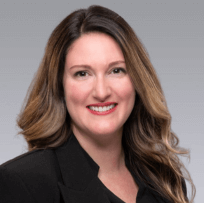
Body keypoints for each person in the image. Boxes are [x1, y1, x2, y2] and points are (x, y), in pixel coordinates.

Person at [0, 5, 195, 203]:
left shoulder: (166, 180)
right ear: (60, 87)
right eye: (82, 74)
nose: (101, 92)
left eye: (116, 71)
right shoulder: (22, 182)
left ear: (137, 80)